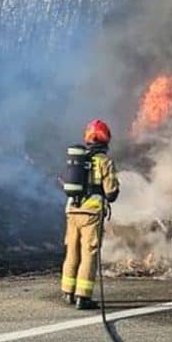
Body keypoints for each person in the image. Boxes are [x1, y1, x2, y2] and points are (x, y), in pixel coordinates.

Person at [61, 119, 119, 309]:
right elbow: (111, 193)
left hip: (72, 210)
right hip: (91, 214)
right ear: (106, 140)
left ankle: (67, 292)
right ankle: (83, 297)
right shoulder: (104, 162)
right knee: (89, 254)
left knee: (72, 252)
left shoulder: (78, 159)